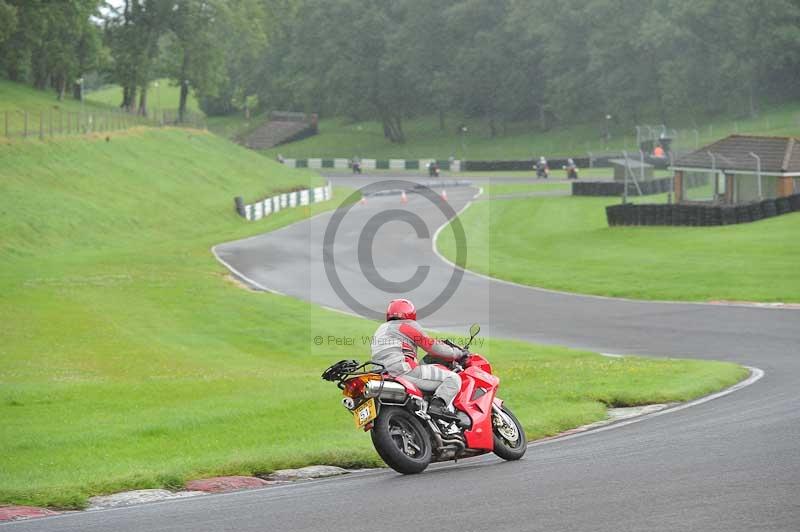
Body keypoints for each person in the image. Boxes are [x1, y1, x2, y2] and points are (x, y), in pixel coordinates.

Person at [370, 299, 464, 417]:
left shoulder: (380, 329)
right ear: (410, 313)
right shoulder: (406, 325)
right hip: (402, 370)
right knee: (453, 378)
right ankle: (437, 407)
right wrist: (457, 353)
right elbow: (432, 347)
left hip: (381, 373)